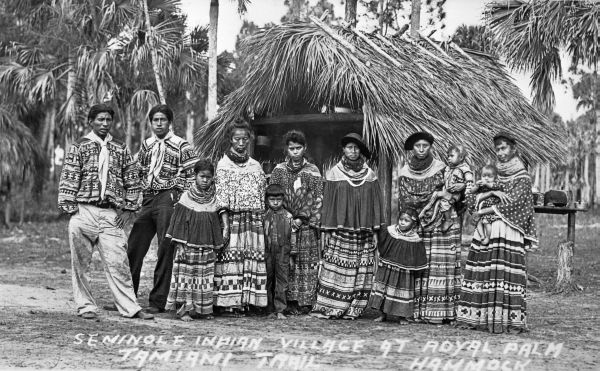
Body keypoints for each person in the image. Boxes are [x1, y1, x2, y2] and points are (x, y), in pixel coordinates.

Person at [58, 104, 153, 320]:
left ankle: (130, 307)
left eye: (108, 120)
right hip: (84, 211)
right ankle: (86, 307)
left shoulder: (119, 147)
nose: (104, 123)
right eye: (100, 119)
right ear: (91, 121)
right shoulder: (79, 146)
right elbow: (69, 176)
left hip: (110, 214)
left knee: (119, 261)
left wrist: (129, 209)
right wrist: (72, 209)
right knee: (80, 263)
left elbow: (132, 179)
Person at [457, 132, 537, 334]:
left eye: (504, 148)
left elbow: (516, 204)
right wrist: (485, 193)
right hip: (487, 229)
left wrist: (483, 210)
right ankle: (478, 317)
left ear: (513, 149)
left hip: (507, 230)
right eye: (498, 149)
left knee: (503, 274)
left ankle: (507, 320)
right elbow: (471, 199)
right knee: (482, 272)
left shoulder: (522, 177)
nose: (500, 152)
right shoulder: (492, 174)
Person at [127, 104, 196, 314]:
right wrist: (136, 195)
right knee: (135, 246)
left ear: (169, 122)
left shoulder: (182, 145)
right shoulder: (147, 145)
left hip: (169, 198)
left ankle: (157, 301)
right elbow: (139, 171)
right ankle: (126, 298)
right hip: (148, 199)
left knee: (165, 249)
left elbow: (192, 175)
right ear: (150, 123)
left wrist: (180, 198)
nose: (158, 124)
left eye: (162, 120)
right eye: (155, 120)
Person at [310, 133, 384, 320]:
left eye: (356, 148)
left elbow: (376, 203)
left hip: (363, 233)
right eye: (349, 147)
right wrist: (328, 228)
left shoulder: (370, 175)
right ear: (343, 150)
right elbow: (328, 203)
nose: (353, 151)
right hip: (341, 232)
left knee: (361, 269)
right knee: (337, 267)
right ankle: (333, 305)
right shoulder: (334, 173)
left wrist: (375, 230)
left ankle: (355, 307)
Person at [397, 131, 462, 325]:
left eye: (425, 146)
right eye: (418, 146)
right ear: (413, 148)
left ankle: (442, 312)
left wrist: (442, 205)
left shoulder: (441, 168)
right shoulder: (404, 172)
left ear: (431, 147)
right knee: (419, 267)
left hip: (440, 224)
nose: (422, 149)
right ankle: (415, 311)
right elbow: (405, 201)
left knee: (440, 265)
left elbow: (452, 192)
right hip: (418, 226)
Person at [214, 119, 268, 316]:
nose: (241, 143)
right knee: (233, 259)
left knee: (252, 258)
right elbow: (221, 197)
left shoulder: (255, 166)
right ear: (230, 140)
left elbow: (262, 194)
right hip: (234, 220)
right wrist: (225, 225)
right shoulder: (223, 165)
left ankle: (251, 302)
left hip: (253, 220)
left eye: (245, 139)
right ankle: (231, 303)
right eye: (237, 139)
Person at [163, 159, 225, 321]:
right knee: (186, 278)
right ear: (195, 176)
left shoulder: (213, 199)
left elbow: (215, 223)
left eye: (208, 177)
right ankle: (184, 310)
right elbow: (178, 223)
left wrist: (216, 244)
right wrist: (181, 246)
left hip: (206, 247)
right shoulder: (186, 197)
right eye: (202, 176)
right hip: (188, 246)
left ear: (213, 178)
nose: (205, 180)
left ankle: (202, 310)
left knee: (204, 278)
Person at [269, 130, 323, 314]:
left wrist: (303, 218)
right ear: (287, 149)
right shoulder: (279, 170)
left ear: (305, 148)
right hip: (284, 222)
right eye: (292, 148)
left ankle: (304, 302)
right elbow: (272, 194)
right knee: (286, 263)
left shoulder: (312, 171)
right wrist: (286, 216)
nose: (295, 152)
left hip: (306, 225)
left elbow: (317, 197)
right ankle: (288, 302)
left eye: (298, 148)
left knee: (305, 262)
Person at [369, 208, 427, 325]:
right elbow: (381, 237)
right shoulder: (390, 231)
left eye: (406, 221)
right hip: (388, 268)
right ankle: (382, 314)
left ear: (413, 224)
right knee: (384, 290)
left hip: (404, 272)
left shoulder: (415, 238)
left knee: (402, 292)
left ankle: (402, 316)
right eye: (401, 219)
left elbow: (418, 256)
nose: (402, 222)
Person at [420, 145, 472, 232]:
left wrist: (466, 185)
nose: (449, 158)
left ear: (461, 157)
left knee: (443, 201)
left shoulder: (464, 168)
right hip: (446, 191)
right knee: (436, 200)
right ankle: (427, 215)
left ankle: (448, 220)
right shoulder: (447, 168)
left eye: (452, 156)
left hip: (456, 194)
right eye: (448, 156)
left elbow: (469, 178)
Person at [264, 184, 295, 319]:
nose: (275, 202)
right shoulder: (263, 216)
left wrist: (292, 256)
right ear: (267, 200)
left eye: (278, 199)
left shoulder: (288, 216)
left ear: (283, 199)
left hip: (283, 252)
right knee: (268, 279)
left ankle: (280, 309)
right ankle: (269, 309)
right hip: (267, 252)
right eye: (272, 199)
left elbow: (293, 236)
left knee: (282, 281)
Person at [468, 164, 503, 246]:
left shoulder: (495, 184)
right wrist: (476, 186)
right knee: (478, 221)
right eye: (484, 176)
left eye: (489, 176)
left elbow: (496, 187)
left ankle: (488, 237)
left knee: (486, 222)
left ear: (495, 178)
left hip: (489, 210)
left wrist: (486, 184)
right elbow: (471, 191)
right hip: (480, 208)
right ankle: (482, 236)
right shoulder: (481, 184)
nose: (486, 178)